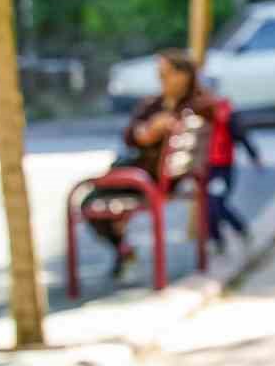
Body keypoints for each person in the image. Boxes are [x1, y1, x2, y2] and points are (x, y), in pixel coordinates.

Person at [83, 49, 213, 279]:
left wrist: (160, 130)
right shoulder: (156, 104)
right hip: (148, 175)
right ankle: (122, 248)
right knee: (98, 199)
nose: (162, 78)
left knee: (89, 203)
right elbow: (131, 136)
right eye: (160, 73)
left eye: (167, 73)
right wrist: (146, 132)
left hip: (150, 179)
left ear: (184, 75)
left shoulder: (193, 107)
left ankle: (122, 249)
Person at [206, 97, 259, 254]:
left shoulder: (225, 112)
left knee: (215, 203)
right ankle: (217, 241)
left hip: (222, 167)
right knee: (208, 206)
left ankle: (240, 230)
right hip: (205, 168)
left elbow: (241, 134)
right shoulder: (195, 110)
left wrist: (254, 155)